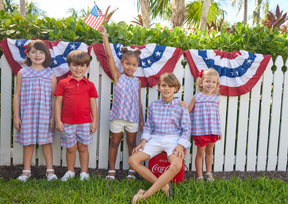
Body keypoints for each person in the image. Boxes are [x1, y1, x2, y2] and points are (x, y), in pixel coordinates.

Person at [128, 73, 191, 203]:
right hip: (155, 139)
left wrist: (180, 145)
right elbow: (148, 126)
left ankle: (144, 195)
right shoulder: (153, 106)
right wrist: (143, 141)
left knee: (177, 165)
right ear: (159, 87)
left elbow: (186, 129)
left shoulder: (181, 107)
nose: (166, 89)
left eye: (170, 86)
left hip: (173, 139)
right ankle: (163, 186)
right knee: (132, 160)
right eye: (163, 85)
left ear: (176, 88)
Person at [99, 25, 144, 181]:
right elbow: (109, 56)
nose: (130, 67)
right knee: (115, 142)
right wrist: (105, 35)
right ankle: (111, 171)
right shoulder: (118, 76)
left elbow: (138, 101)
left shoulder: (137, 82)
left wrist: (141, 120)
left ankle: (132, 171)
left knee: (132, 143)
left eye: (134, 65)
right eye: (127, 64)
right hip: (118, 116)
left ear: (137, 66)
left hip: (132, 118)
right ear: (122, 63)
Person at [13, 40, 58, 182]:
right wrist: (16, 116)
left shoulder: (50, 74)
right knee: (28, 142)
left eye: (41, 52)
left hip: (45, 114)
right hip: (27, 115)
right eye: (34, 52)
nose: (37, 55)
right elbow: (17, 95)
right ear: (28, 54)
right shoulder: (22, 73)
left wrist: (53, 117)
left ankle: (50, 170)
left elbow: (54, 98)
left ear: (46, 55)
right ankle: (26, 171)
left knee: (46, 142)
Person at [54, 50, 98, 181]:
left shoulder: (90, 85)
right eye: (75, 65)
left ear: (87, 67)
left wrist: (94, 121)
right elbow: (58, 103)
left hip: (85, 123)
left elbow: (93, 104)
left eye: (82, 66)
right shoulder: (63, 83)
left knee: (83, 148)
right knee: (70, 149)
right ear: (69, 65)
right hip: (67, 123)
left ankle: (84, 173)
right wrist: (58, 120)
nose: (78, 69)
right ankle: (70, 171)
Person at [188, 68, 222, 182]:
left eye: (213, 82)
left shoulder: (216, 99)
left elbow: (217, 116)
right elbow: (188, 111)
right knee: (200, 152)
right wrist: (182, 107)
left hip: (213, 130)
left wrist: (219, 131)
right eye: (208, 81)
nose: (210, 84)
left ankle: (208, 173)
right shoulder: (197, 97)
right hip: (200, 130)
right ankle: (199, 175)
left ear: (216, 84)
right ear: (201, 83)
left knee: (209, 151)